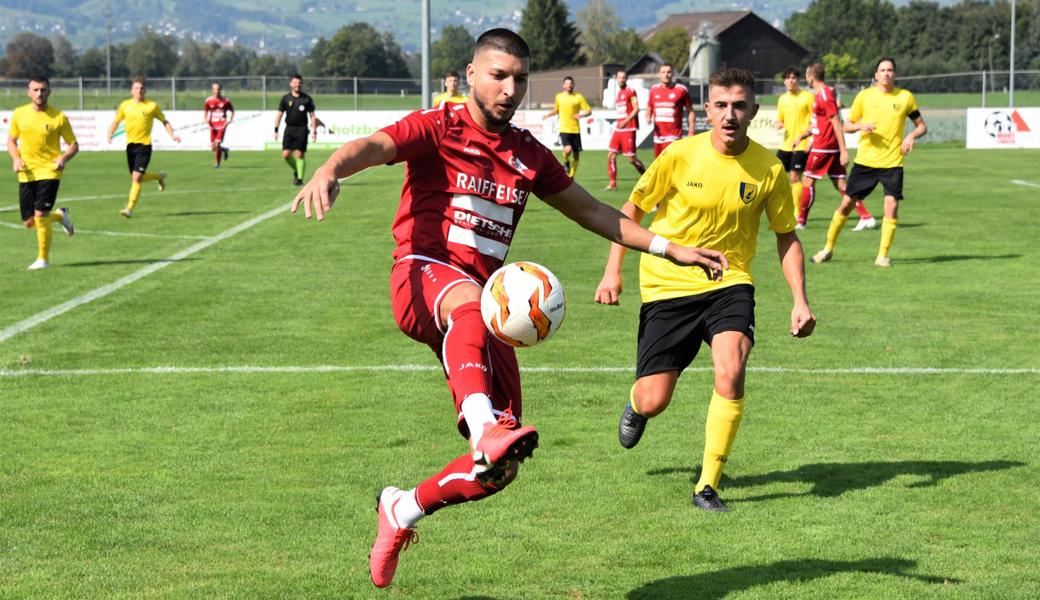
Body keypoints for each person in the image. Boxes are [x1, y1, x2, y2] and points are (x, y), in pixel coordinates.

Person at [291, 28, 727, 588]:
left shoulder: (527, 154)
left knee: (501, 468)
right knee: (473, 318)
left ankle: (401, 510)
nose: (509, 88)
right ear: (470, 74)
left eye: (519, 78)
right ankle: (481, 425)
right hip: (423, 276)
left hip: (484, 313)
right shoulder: (440, 126)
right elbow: (373, 147)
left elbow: (592, 211)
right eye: (498, 75)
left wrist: (673, 248)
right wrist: (330, 168)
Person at [594, 67, 816, 513]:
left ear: (753, 110)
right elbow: (631, 210)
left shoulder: (768, 169)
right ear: (708, 109)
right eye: (721, 105)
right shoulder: (679, 155)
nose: (730, 114)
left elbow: (786, 234)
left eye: (739, 105)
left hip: (729, 283)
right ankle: (637, 405)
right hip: (667, 284)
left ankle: (707, 486)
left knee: (731, 367)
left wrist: (800, 300)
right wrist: (612, 271)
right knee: (655, 398)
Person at [811, 57, 926, 267]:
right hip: (866, 162)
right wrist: (861, 125)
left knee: (891, 205)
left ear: (895, 74)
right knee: (846, 204)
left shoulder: (905, 97)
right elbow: (847, 125)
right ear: (876, 74)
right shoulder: (864, 96)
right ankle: (827, 249)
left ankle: (882, 256)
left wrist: (910, 136)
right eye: (882, 70)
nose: (886, 73)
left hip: (893, 162)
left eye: (890, 70)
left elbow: (921, 126)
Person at [7, 76, 78, 270]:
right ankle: (60, 216)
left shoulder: (58, 117)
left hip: (50, 170)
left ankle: (43, 259)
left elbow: (73, 145)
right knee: (29, 222)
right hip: (26, 171)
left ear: (49, 92)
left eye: (43, 90)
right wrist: (16, 158)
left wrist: (63, 158)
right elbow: (11, 141)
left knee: (40, 215)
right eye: (36, 90)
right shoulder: (19, 114)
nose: (40, 93)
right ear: (29, 92)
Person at [793, 63, 874, 229]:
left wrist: (843, 151)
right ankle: (865, 216)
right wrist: (804, 136)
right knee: (841, 185)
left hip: (825, 148)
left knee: (807, 180)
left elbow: (836, 123)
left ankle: (801, 221)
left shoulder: (824, 95)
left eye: (806, 76)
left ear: (811, 77)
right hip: (825, 146)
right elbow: (821, 124)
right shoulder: (822, 94)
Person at [107, 77, 181, 218]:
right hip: (130, 146)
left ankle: (129, 208)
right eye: (136, 88)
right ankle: (159, 176)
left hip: (145, 145)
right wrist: (110, 134)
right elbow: (116, 121)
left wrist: (172, 135)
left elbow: (164, 121)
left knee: (136, 177)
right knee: (137, 178)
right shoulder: (125, 105)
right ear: (131, 90)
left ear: (145, 90)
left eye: (141, 88)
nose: (139, 90)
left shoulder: (151, 106)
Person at [775, 66, 814, 218]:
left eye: (794, 78)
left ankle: (797, 213)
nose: (791, 81)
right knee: (775, 173)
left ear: (799, 80)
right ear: (784, 81)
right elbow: (779, 120)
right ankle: (782, 205)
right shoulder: (782, 99)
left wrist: (810, 139)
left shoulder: (807, 97)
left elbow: (814, 121)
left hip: (801, 145)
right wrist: (778, 124)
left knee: (794, 177)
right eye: (788, 78)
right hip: (786, 144)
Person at [605, 70, 646, 190]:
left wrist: (625, 121)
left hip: (628, 128)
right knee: (611, 155)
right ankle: (612, 184)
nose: (621, 80)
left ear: (626, 79)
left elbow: (636, 108)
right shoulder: (619, 93)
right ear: (616, 79)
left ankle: (648, 178)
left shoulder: (630, 91)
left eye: (623, 77)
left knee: (631, 159)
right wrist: (620, 123)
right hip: (619, 128)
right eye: (619, 77)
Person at [543, 76, 591, 177]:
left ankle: (571, 175)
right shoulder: (559, 97)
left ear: (573, 85)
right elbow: (556, 110)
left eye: (571, 83)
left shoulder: (579, 97)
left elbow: (589, 111)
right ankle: (566, 161)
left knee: (576, 155)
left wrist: (581, 115)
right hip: (564, 128)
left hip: (576, 130)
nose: (569, 85)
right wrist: (547, 115)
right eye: (567, 83)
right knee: (568, 150)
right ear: (563, 85)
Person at [274, 74, 317, 186]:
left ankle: (299, 179)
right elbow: (279, 114)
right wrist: (276, 129)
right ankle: (297, 170)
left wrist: (314, 131)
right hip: (289, 129)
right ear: (291, 84)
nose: (297, 85)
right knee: (286, 154)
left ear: (302, 84)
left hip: (302, 129)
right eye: (295, 82)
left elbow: (312, 115)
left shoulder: (306, 99)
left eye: (299, 82)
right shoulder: (285, 98)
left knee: (299, 154)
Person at [646, 63, 694, 157]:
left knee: (672, 166)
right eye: (663, 72)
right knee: (659, 167)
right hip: (658, 137)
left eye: (669, 72)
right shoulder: (654, 90)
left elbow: (690, 111)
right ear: (659, 74)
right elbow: (650, 107)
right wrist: (648, 116)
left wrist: (691, 131)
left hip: (674, 136)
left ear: (672, 74)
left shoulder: (681, 90)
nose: (666, 75)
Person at [203, 82, 234, 168]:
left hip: (221, 125)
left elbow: (232, 110)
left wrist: (229, 120)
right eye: (215, 89)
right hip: (212, 125)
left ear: (220, 90)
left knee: (217, 144)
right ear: (212, 90)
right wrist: (206, 120)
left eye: (218, 89)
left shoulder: (226, 101)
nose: (217, 91)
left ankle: (217, 163)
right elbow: (206, 112)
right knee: (213, 147)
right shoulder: (208, 101)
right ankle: (224, 150)